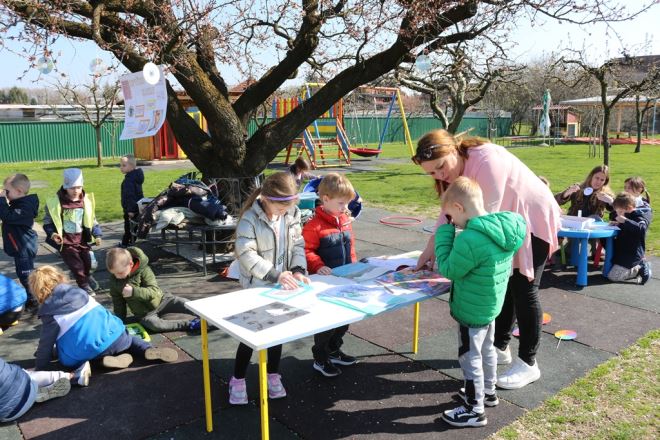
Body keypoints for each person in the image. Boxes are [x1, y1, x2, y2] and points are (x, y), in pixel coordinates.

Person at [412, 129, 561, 390]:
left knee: (524, 289)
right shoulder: (455, 173)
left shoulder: (487, 160)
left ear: (453, 150)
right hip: (507, 220)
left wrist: (455, 256)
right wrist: (430, 248)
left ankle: (528, 363)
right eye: (431, 173)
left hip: (532, 219)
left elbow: (479, 221)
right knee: (506, 283)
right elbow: (449, 212)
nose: (439, 175)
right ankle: (500, 346)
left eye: (441, 167)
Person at [435, 177, 526, 427]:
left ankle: (474, 410)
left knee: (469, 357)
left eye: (451, 216)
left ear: (459, 207)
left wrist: (444, 234)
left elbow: (449, 269)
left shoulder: (470, 239)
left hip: (471, 310)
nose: (452, 221)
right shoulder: (504, 228)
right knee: (487, 350)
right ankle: (488, 392)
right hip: (490, 305)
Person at [230, 172, 309, 405]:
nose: (283, 212)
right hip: (257, 285)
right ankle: (238, 379)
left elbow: (298, 244)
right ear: (265, 198)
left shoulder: (292, 213)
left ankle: (272, 374)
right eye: (280, 208)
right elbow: (246, 254)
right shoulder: (250, 219)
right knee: (250, 334)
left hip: (281, 285)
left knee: (276, 333)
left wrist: (298, 269)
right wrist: (275, 274)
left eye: (287, 208)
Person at [29, 265, 179, 371]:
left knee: (69, 359)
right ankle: (148, 349)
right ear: (61, 278)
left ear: (38, 291)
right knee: (129, 338)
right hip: (116, 337)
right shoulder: (81, 294)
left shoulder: (50, 314)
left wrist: (40, 367)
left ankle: (101, 362)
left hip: (89, 350)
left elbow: (46, 344)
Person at [302, 173, 359, 377]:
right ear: (325, 199)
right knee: (326, 323)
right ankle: (320, 357)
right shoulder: (314, 226)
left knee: (344, 319)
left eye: (347, 203)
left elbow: (350, 246)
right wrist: (318, 265)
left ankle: (334, 350)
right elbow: (306, 250)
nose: (345, 207)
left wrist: (354, 266)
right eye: (341, 203)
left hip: (343, 279)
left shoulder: (344, 221)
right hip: (325, 283)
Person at [106, 247, 200, 332]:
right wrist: (119, 321)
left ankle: (203, 312)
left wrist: (134, 292)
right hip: (144, 313)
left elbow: (154, 291)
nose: (117, 276)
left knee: (183, 302)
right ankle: (190, 324)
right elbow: (118, 303)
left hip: (162, 300)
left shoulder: (144, 270)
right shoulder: (115, 282)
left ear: (130, 264)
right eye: (114, 273)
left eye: (120, 273)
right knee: (155, 326)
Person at [43, 168, 103, 296]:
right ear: (66, 187)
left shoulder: (85, 201)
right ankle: (83, 285)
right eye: (72, 188)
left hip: (82, 240)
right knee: (77, 266)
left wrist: (97, 234)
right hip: (67, 242)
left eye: (79, 187)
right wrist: (52, 234)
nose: (76, 191)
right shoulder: (56, 203)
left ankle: (87, 277)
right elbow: (48, 222)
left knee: (89, 263)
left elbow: (92, 219)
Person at [0, 356, 91, 423]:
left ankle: (35, 394)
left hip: (10, 414)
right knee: (25, 374)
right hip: (26, 386)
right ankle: (72, 376)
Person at [0, 173, 39, 309]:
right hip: (19, 248)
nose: (5, 194)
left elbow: (7, 217)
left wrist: (1, 200)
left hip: (24, 248)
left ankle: (34, 299)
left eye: (7, 191)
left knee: (26, 276)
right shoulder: (18, 203)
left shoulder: (25, 207)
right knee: (23, 274)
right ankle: (32, 296)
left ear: (19, 191)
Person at [607, 192, 652, 285]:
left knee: (613, 276)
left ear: (629, 208)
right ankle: (629, 267)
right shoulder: (625, 215)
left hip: (632, 253)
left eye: (620, 211)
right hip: (622, 250)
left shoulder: (640, 215)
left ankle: (639, 268)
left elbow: (641, 229)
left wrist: (625, 221)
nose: (617, 214)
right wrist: (618, 224)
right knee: (609, 269)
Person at [119, 154, 144, 247]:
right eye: (120, 165)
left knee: (128, 227)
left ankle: (125, 244)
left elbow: (130, 196)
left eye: (124, 165)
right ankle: (132, 242)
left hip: (131, 209)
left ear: (132, 166)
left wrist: (130, 210)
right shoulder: (135, 177)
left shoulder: (129, 180)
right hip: (137, 206)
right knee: (134, 226)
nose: (121, 167)